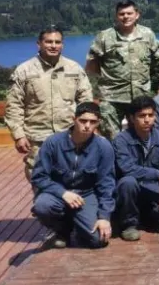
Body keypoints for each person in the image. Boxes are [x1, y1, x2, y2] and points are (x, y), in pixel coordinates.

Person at [6, 25, 93, 181]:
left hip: (69, 134)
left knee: (71, 177)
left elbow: (86, 101)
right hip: (37, 137)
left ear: (62, 45)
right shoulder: (24, 71)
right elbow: (14, 105)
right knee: (38, 178)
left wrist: (85, 128)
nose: (53, 46)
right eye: (48, 42)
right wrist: (18, 136)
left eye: (57, 42)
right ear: (39, 44)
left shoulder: (74, 69)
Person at [30, 102, 114, 249]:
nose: (87, 126)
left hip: (86, 195)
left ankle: (80, 226)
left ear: (98, 123)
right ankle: (62, 231)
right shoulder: (53, 142)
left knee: (98, 240)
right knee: (42, 206)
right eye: (83, 120)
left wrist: (104, 217)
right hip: (58, 193)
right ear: (74, 119)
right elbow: (39, 176)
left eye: (93, 122)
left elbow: (106, 184)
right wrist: (63, 193)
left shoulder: (103, 147)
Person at [86, 0, 159, 137]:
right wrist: (95, 95)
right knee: (111, 137)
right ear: (116, 16)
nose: (125, 17)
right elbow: (91, 66)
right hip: (111, 97)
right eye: (121, 14)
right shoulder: (105, 37)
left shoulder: (147, 34)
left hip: (140, 96)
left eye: (129, 13)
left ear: (137, 15)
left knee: (141, 135)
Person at [113, 96, 159, 241]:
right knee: (127, 182)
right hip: (132, 191)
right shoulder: (121, 140)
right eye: (142, 116)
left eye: (150, 115)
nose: (147, 120)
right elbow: (127, 168)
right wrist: (157, 174)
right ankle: (128, 225)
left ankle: (150, 219)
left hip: (153, 189)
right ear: (132, 118)